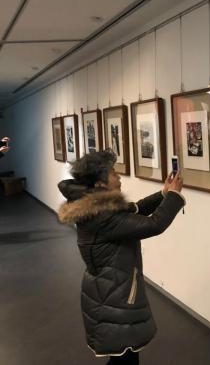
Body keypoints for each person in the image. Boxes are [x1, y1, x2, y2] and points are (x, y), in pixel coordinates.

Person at [57, 150, 185, 364]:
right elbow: (154, 224)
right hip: (114, 295)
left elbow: (135, 209)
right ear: (100, 184)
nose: (119, 177)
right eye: (113, 173)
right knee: (125, 358)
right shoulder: (102, 216)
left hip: (110, 289)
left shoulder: (96, 207)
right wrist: (174, 196)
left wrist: (163, 194)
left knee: (124, 357)